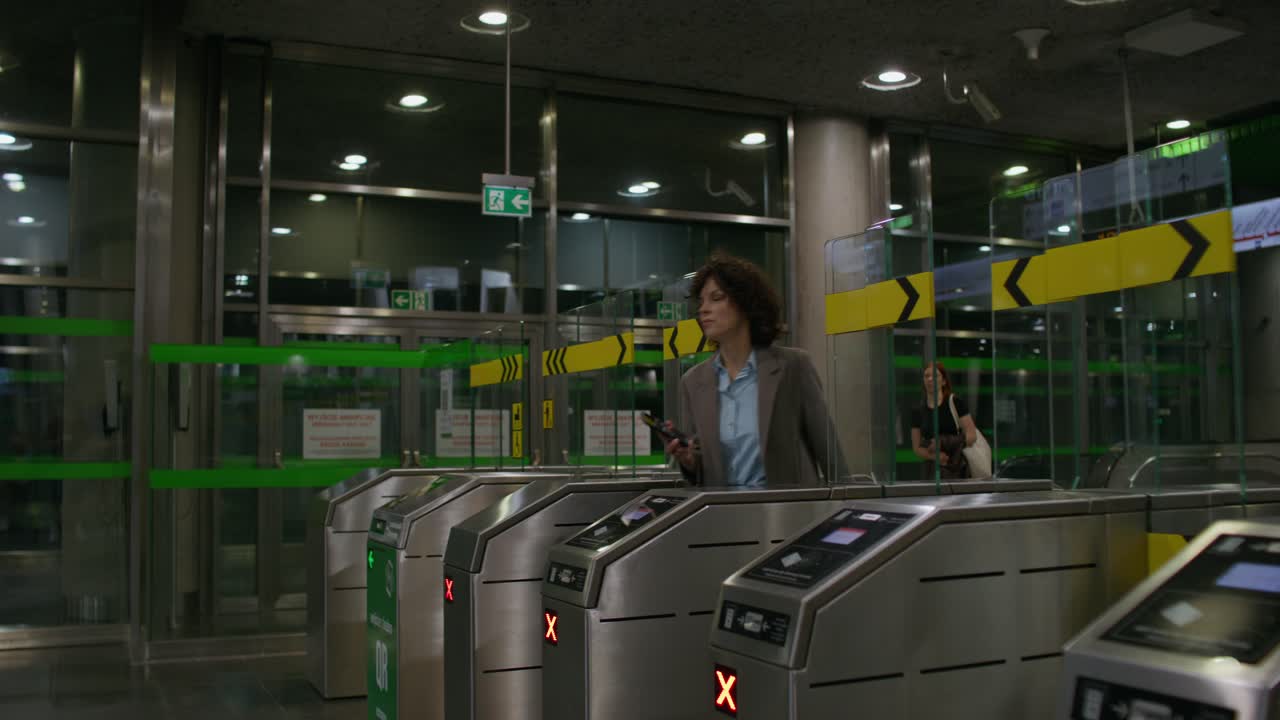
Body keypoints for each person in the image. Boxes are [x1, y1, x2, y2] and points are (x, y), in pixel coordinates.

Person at [666, 254, 847, 487]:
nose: (703, 309)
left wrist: (846, 503)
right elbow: (703, 469)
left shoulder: (792, 366)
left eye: (716, 298)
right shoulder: (693, 382)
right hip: (722, 516)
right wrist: (689, 461)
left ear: (745, 303)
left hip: (789, 515)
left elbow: (829, 452)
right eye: (701, 302)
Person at [910, 362, 978, 480]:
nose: (930, 379)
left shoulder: (955, 403)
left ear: (944, 381)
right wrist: (934, 457)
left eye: (935, 376)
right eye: (926, 376)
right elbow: (916, 448)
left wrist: (943, 442)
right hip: (931, 471)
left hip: (957, 466)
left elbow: (972, 436)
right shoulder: (917, 410)